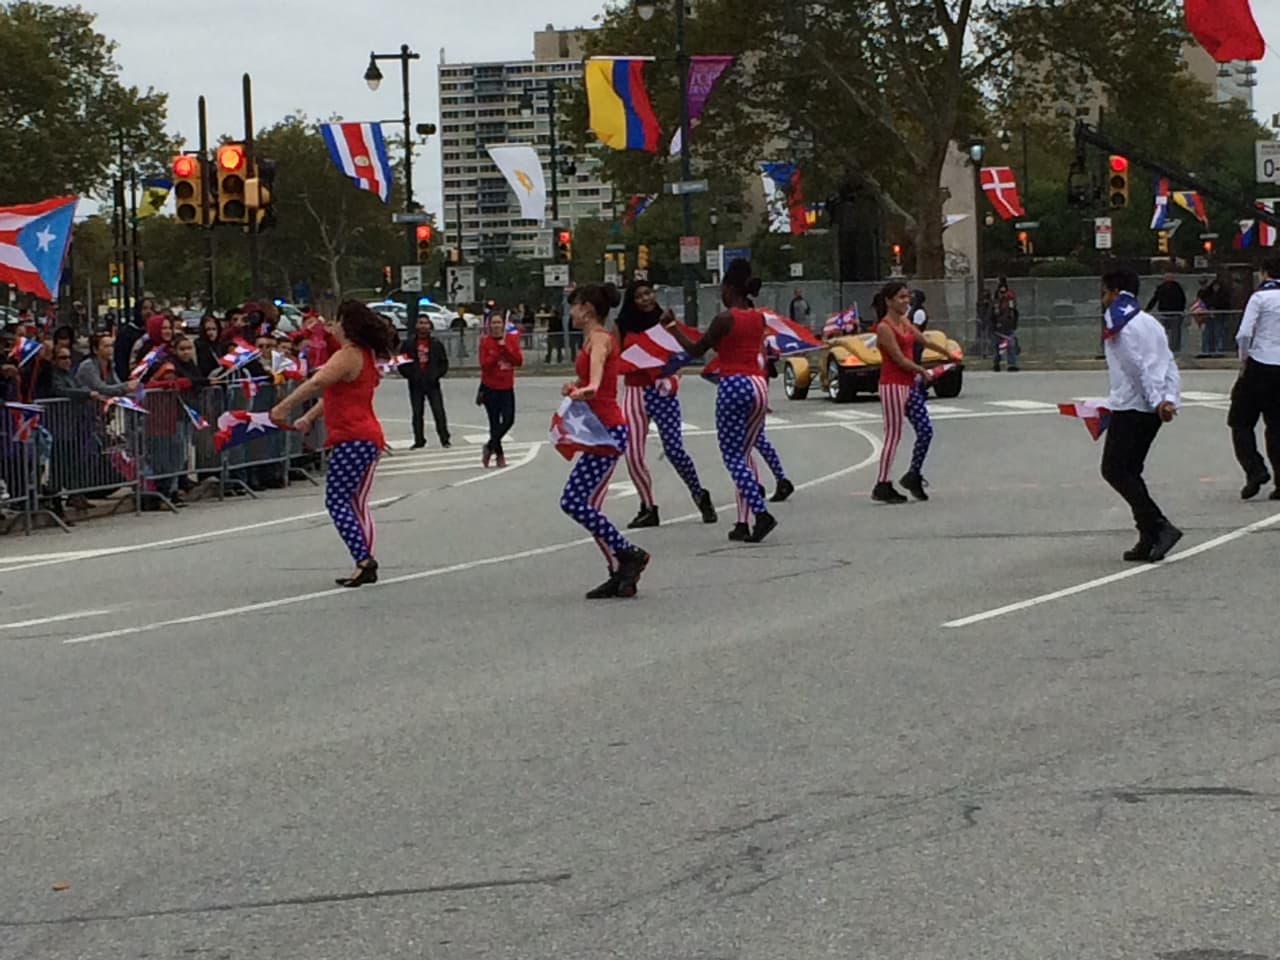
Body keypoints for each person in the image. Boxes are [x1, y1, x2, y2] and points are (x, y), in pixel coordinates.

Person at [271, 301, 393, 588]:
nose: (332, 327)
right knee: (355, 501)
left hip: (354, 437)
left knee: (338, 500)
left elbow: (318, 383)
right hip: (362, 435)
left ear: (346, 326)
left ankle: (364, 559)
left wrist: (284, 406)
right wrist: (309, 417)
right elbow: (335, 396)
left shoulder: (347, 355)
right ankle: (364, 559)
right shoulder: (364, 355)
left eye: (336, 322)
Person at [662, 259, 779, 543]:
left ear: (730, 289)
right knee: (746, 453)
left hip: (734, 384)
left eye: (722, 289)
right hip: (758, 385)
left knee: (732, 456)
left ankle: (761, 513)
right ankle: (742, 521)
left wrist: (672, 327)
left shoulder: (725, 319)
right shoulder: (758, 317)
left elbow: (696, 350)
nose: (720, 294)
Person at [559, 283, 651, 599]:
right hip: (599, 431)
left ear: (587, 308)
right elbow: (590, 379)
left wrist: (588, 388)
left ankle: (629, 554)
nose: (571, 313)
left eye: (574, 306)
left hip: (609, 432)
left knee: (575, 501)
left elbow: (597, 377)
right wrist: (576, 386)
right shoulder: (591, 339)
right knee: (580, 502)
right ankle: (621, 569)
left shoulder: (599, 339)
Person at [615, 281, 717, 528]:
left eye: (648, 293)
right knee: (632, 454)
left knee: (674, 450)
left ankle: (699, 494)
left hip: (663, 391)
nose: (645, 299)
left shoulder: (665, 322)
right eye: (639, 296)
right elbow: (616, 357)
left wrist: (674, 377)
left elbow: (681, 353)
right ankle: (648, 507)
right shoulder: (622, 325)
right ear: (631, 300)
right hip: (635, 391)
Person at [1099, 270, 1182, 562]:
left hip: (1133, 405)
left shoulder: (1119, 323)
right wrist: (1169, 398)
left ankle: (1158, 525)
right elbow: (1169, 363)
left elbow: (1134, 367)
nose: (1103, 298)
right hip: (1152, 409)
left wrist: (1157, 399)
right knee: (1130, 470)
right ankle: (1147, 535)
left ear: (1115, 291)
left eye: (1105, 292)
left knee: (1114, 469)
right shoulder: (1151, 323)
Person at [871, 282, 953, 504]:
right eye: (901, 297)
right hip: (892, 385)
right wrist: (921, 370)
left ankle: (913, 474)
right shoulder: (884, 327)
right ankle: (882, 483)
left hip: (909, 385)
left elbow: (923, 340)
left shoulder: (905, 322)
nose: (906, 301)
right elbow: (898, 359)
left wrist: (947, 353)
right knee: (893, 435)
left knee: (925, 431)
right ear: (889, 301)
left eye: (907, 297)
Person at [1228, 256, 1280, 501]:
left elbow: (1244, 333)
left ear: (1264, 273)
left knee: (1240, 421)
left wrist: (1244, 361)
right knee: (1277, 426)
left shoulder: (1260, 297)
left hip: (1260, 363)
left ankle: (1255, 469)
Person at [398, 316, 451, 449]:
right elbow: (401, 362)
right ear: (416, 325)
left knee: (438, 411)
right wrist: (410, 375)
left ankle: (444, 438)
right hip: (415, 383)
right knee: (417, 413)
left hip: (432, 383)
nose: (423, 326)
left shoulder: (436, 344)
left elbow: (443, 362)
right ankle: (419, 440)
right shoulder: (408, 344)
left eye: (426, 323)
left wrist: (436, 375)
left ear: (430, 326)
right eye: (420, 323)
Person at [478, 313, 523, 468]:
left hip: (507, 387)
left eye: (499, 323)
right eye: (494, 323)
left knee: (509, 420)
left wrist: (506, 349)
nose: (496, 326)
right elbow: (485, 365)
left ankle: (489, 446)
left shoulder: (510, 340)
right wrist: (497, 352)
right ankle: (500, 455)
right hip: (490, 387)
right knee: (494, 423)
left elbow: (518, 361)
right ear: (489, 325)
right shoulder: (485, 342)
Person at [1146, 272, 1187, 354]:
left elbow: (1182, 300)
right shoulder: (1163, 288)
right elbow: (1155, 298)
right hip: (1166, 313)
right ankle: (1167, 349)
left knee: (1173, 334)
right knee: (1168, 333)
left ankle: (1173, 350)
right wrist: (1148, 309)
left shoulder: (1176, 288)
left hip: (1173, 313)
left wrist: (1181, 310)